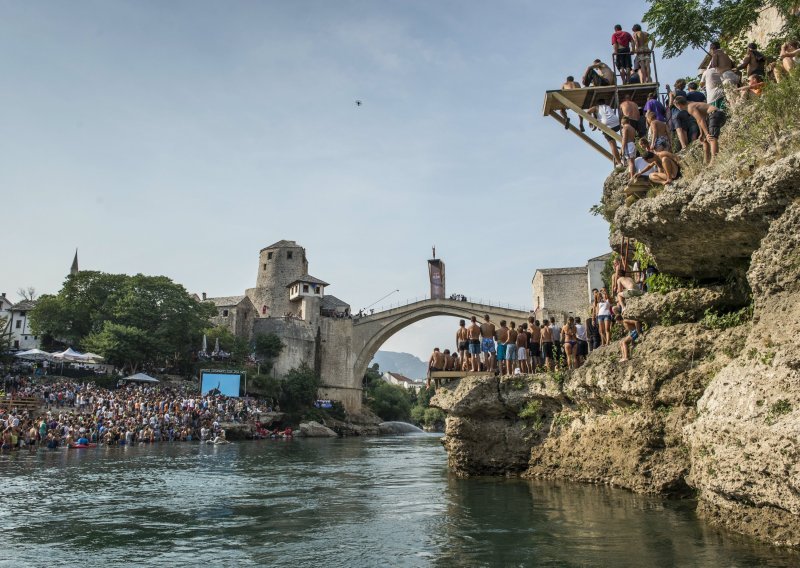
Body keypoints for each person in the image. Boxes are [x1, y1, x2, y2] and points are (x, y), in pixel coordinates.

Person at [673, 96, 727, 163]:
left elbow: (700, 120)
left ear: (678, 105)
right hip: (715, 115)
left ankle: (714, 161)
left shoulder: (690, 107)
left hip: (715, 114)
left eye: (676, 106)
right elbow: (700, 119)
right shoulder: (691, 104)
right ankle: (706, 161)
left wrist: (707, 134)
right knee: (704, 140)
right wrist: (702, 133)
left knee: (711, 138)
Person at [588, 100, 621, 165]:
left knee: (612, 145)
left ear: (597, 103)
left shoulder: (596, 107)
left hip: (608, 126)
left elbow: (588, 112)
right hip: (617, 123)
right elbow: (601, 117)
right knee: (622, 140)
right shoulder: (608, 107)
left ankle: (619, 163)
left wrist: (590, 121)